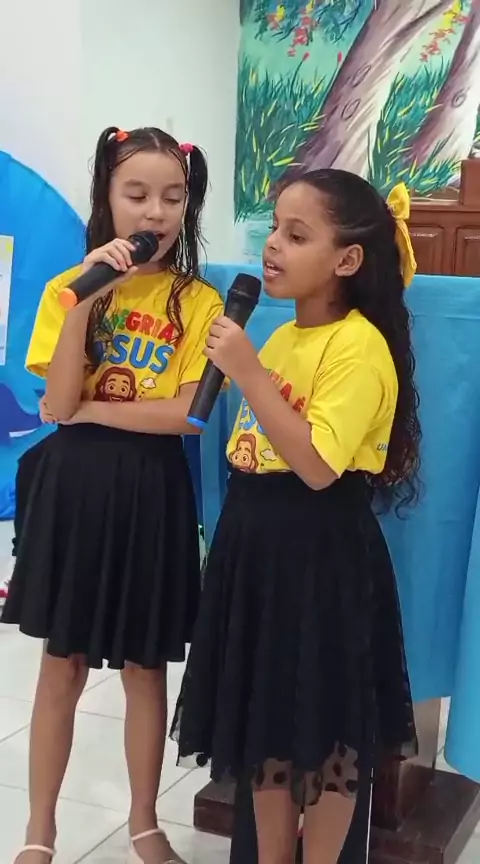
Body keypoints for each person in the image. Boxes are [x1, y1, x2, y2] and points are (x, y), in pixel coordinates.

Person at [172, 170, 420, 864]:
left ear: (348, 260)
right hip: (257, 549)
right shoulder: (280, 338)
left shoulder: (358, 346)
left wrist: (249, 373)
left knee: (330, 730)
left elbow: (315, 466)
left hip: (321, 554)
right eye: (275, 228)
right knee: (268, 726)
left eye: (297, 234)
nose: (273, 245)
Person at [2, 126, 222, 864]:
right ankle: (39, 831)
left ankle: (143, 823)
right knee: (60, 661)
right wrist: (85, 299)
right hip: (75, 490)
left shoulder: (199, 301)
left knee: (145, 666)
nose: (155, 212)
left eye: (173, 197)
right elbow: (57, 401)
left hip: (152, 490)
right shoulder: (70, 288)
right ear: (107, 197)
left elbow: (187, 416)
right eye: (137, 194)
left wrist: (92, 410)